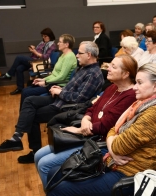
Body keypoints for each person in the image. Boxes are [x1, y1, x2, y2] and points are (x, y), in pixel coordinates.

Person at [45, 63, 156, 196]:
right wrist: (113, 144)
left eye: (140, 83)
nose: (135, 87)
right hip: (114, 162)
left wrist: (112, 144)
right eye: (136, 82)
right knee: (54, 172)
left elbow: (118, 146)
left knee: (59, 188)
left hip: (130, 174)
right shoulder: (141, 105)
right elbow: (113, 130)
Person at [34, 55, 138, 187]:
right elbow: (93, 107)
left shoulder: (130, 96)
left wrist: (79, 130)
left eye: (113, 66)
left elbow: (106, 126)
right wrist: (85, 118)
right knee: (38, 155)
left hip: (100, 143)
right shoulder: (112, 87)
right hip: (88, 134)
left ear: (125, 74)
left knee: (44, 164)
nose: (108, 68)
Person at [0, 41, 104, 164]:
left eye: (79, 53)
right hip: (61, 99)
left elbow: (80, 98)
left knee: (33, 116)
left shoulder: (93, 74)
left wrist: (60, 93)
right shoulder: (85, 68)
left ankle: (32, 151)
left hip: (66, 107)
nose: (77, 55)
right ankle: (17, 137)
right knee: (29, 100)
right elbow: (74, 89)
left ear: (89, 55)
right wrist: (60, 89)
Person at [19, 34, 77, 108]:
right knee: (28, 87)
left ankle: (23, 115)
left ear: (66, 44)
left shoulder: (69, 57)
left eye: (60, 42)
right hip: (52, 82)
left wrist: (45, 82)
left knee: (26, 92)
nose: (58, 43)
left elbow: (62, 77)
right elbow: (54, 74)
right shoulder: (63, 55)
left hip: (57, 85)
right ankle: (24, 114)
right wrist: (43, 79)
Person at [0, 28, 56, 95]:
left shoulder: (52, 45)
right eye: (42, 36)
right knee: (19, 68)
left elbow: (46, 57)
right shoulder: (42, 43)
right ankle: (20, 88)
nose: (43, 37)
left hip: (39, 63)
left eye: (45, 36)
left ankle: (9, 75)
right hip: (33, 60)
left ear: (50, 36)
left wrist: (35, 52)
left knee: (19, 57)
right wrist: (33, 49)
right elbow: (38, 52)